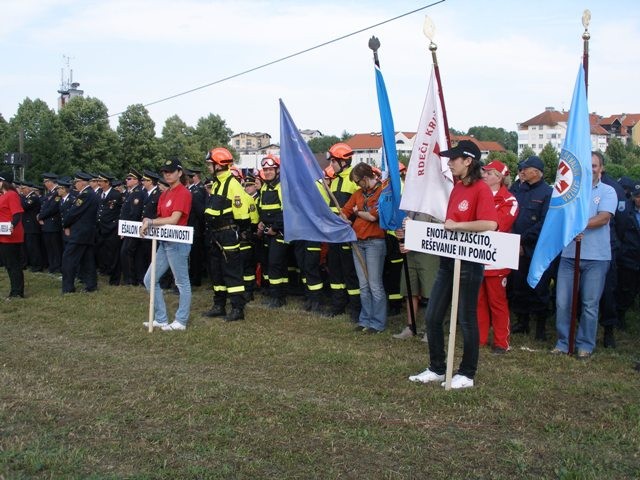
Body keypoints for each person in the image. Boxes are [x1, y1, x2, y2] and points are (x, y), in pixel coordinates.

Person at [409, 140, 498, 389]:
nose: (449, 163)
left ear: (468, 161)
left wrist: (458, 226)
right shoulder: (458, 187)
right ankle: (437, 368)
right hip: (449, 259)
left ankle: (467, 373)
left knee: (467, 318)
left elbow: (490, 224)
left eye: (453, 159)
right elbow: (449, 221)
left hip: (470, 262)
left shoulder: (481, 189)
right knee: (433, 315)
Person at [552, 152, 617, 358]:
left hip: (596, 258)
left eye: (595, 166)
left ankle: (585, 344)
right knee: (563, 302)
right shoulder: (571, 191)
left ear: (602, 168)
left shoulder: (608, 191)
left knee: (589, 304)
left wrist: (580, 225)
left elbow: (604, 218)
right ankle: (564, 342)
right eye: (588, 167)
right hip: (569, 255)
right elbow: (559, 215)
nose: (592, 170)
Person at [200, 148, 252, 322]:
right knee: (217, 272)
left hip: (227, 234)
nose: (208, 167)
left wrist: (236, 229)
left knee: (232, 272)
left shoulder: (232, 184)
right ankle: (219, 306)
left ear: (219, 165)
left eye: (210, 164)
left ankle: (238, 309)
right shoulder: (217, 183)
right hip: (215, 234)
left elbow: (242, 215)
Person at [142, 158, 193, 331]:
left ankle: (181, 320)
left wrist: (150, 221)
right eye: (165, 171)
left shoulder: (184, 193)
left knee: (182, 282)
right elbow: (161, 218)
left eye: (171, 171)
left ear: (179, 172)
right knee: (149, 280)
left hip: (178, 242)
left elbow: (174, 219)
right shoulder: (164, 194)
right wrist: (149, 221)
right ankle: (161, 318)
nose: (167, 174)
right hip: (165, 242)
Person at [508, 156, 554, 340]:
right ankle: (522, 321)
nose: (522, 171)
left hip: (536, 249)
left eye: (526, 168)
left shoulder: (547, 193)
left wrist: (522, 241)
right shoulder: (518, 190)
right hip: (516, 247)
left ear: (536, 171)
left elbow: (544, 223)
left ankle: (541, 327)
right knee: (519, 285)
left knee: (539, 286)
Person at [477, 160, 519, 353]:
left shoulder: (509, 200)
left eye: (488, 173)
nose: (484, 175)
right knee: (478, 300)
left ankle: (501, 342)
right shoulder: (477, 195)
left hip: (497, 259)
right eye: (484, 172)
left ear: (499, 177)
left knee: (497, 301)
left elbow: (497, 224)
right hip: (477, 256)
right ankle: (480, 338)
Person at [341, 162, 388, 333]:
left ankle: (378, 322)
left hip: (375, 242)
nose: (356, 185)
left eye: (358, 181)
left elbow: (373, 217)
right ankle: (365, 319)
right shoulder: (357, 194)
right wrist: (345, 217)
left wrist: (357, 213)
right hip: (357, 243)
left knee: (374, 284)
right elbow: (344, 212)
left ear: (366, 178)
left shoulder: (382, 192)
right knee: (363, 284)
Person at [326, 143, 361, 321]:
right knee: (335, 270)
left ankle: (356, 308)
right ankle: (338, 305)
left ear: (344, 162)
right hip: (334, 235)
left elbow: (359, 208)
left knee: (350, 272)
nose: (331, 164)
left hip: (348, 234)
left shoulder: (353, 180)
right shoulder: (334, 181)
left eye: (333, 161)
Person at [61, 172, 99, 294]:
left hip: (80, 233)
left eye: (76, 182)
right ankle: (91, 284)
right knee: (88, 260)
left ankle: (68, 287)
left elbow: (74, 212)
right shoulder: (89, 194)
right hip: (86, 232)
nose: (75, 185)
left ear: (82, 182)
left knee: (69, 258)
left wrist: (65, 224)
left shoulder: (86, 195)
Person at [0, 175, 25, 299]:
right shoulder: (3, 196)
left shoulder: (11, 194)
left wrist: (12, 226)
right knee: (8, 264)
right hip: (3, 235)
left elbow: (17, 214)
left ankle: (17, 291)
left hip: (11, 235)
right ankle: (14, 289)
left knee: (13, 264)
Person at [37, 173, 63, 274]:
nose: (45, 184)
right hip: (47, 224)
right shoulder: (50, 193)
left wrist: (40, 216)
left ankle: (57, 267)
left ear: (51, 182)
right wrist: (40, 215)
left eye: (46, 182)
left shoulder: (57, 192)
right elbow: (44, 207)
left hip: (53, 224)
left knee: (55, 247)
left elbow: (52, 208)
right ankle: (52, 266)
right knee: (49, 247)